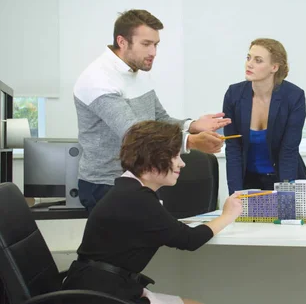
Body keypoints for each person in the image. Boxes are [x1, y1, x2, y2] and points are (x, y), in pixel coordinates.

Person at [62, 120, 243, 304]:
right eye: (176, 156)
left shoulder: (128, 189)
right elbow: (190, 239)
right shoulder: (136, 198)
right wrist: (227, 215)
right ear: (154, 157)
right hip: (102, 296)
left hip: (104, 288)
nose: (182, 164)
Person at [73, 9, 231, 211]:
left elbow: (158, 119)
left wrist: (192, 125)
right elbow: (135, 134)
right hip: (106, 184)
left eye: (155, 44)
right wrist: (190, 141)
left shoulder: (137, 71)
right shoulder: (98, 79)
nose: (153, 52)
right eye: (146, 44)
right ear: (122, 42)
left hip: (142, 179)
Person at [222, 38, 306, 194]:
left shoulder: (294, 96)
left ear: (274, 67)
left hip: (283, 176)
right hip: (247, 179)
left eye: (258, 60)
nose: (249, 64)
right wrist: (235, 193)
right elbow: (233, 148)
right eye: (248, 58)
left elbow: (289, 150)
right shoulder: (233, 94)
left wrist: (286, 195)